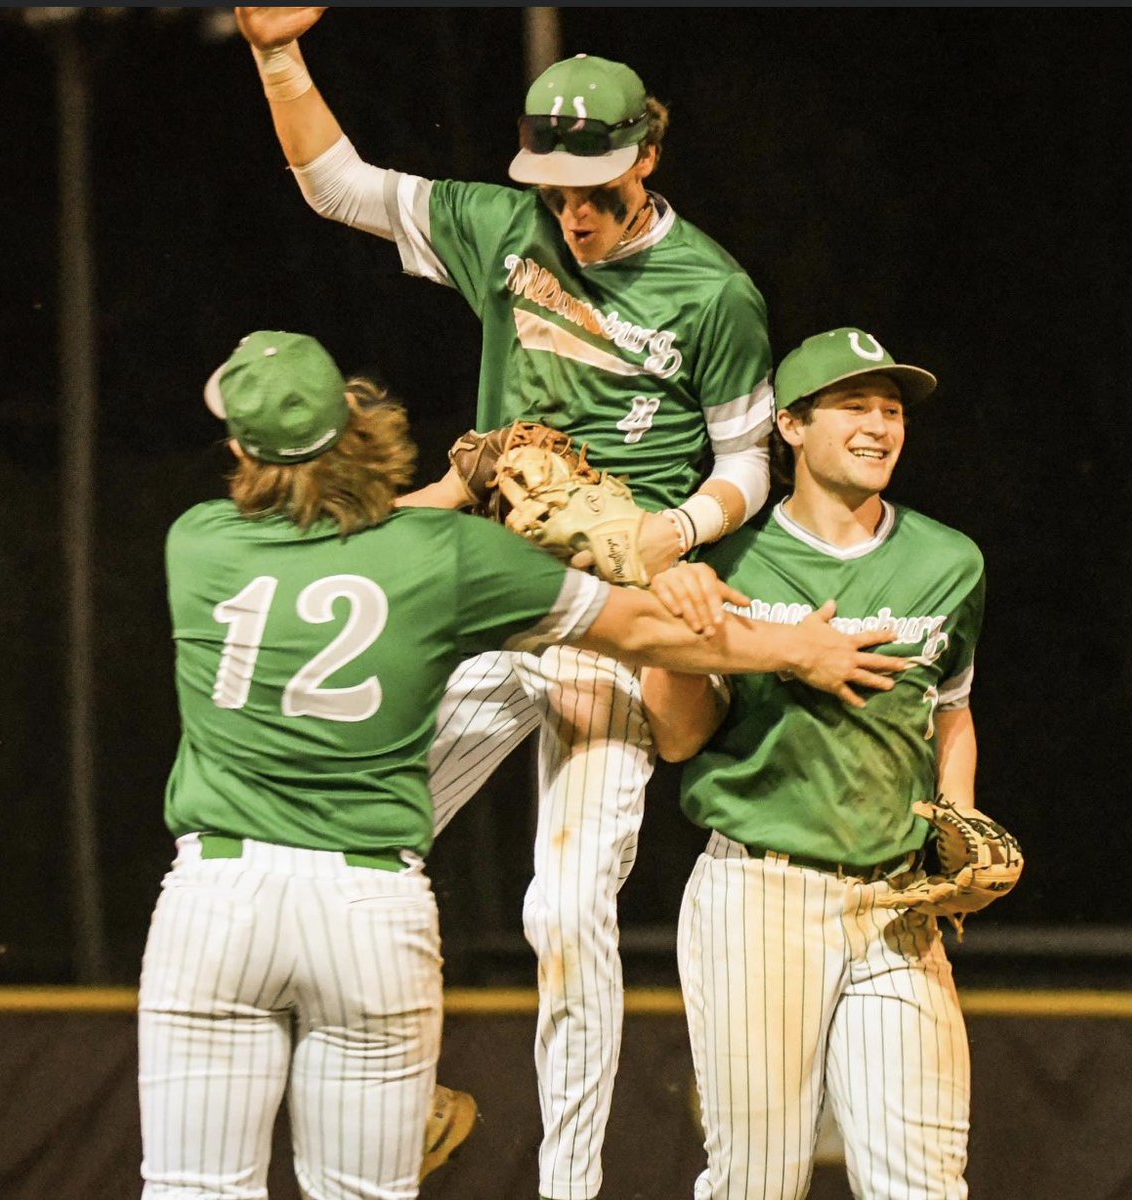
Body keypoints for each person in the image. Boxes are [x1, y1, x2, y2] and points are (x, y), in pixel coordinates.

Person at [139, 329, 906, 1200]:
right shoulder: (447, 559)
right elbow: (644, 629)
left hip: (215, 901)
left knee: (191, 1189)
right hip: (366, 911)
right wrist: (795, 648)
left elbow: (348, 530)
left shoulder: (197, 542)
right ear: (359, 431)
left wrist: (449, 486)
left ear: (240, 449)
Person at [233, 11, 777, 1198]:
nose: (573, 212)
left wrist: (671, 529)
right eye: (556, 187)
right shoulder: (504, 224)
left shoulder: (713, 291)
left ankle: (566, 1188)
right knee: (341, 846)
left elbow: (748, 462)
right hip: (491, 587)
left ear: (647, 156)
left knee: (565, 908)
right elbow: (336, 186)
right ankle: (406, 1094)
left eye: (594, 186)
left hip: (615, 608)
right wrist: (279, 55)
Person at [642, 327, 990, 1200]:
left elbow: (948, 709)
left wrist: (962, 822)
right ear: (790, 427)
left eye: (892, 408)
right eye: (853, 405)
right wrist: (678, 630)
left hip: (893, 909)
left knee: (925, 1185)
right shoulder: (733, 558)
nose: (879, 424)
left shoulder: (948, 561)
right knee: (757, 1184)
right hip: (761, 896)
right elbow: (677, 739)